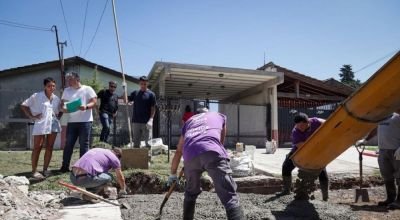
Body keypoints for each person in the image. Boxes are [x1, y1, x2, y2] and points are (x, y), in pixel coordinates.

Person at [168, 107, 244, 220]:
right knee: (229, 197)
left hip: (189, 155)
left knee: (190, 193)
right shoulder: (218, 116)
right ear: (207, 113)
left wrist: (173, 173)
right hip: (212, 151)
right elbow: (220, 141)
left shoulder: (189, 121)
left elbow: (179, 150)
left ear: (196, 114)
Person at [278, 112, 329, 201]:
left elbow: (328, 123)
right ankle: (286, 190)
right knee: (286, 166)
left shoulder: (315, 121)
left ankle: (325, 196)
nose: (300, 128)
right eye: (298, 126)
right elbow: (303, 148)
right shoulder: (295, 132)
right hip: (299, 151)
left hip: (317, 151)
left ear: (308, 122)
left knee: (322, 170)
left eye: (302, 126)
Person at [357, 110, 400, 209]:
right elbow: (375, 129)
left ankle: (399, 201)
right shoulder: (381, 117)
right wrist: (365, 140)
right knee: (387, 176)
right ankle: (390, 198)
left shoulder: (397, 116)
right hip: (383, 151)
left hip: (396, 151)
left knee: (399, 176)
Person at [21, 77, 62, 179]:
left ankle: (45, 170)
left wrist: (58, 117)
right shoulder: (37, 96)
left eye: (53, 85)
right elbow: (24, 105)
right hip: (40, 123)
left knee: (49, 147)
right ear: (45, 86)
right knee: (37, 147)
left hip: (53, 123)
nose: (51, 88)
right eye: (49, 86)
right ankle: (34, 171)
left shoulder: (56, 99)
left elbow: (60, 110)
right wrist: (32, 116)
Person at [59, 71, 97, 173]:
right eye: (68, 80)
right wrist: (64, 109)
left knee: (84, 144)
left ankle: (83, 168)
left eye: (70, 79)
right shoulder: (67, 90)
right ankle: (64, 166)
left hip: (85, 121)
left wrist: (86, 106)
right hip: (72, 121)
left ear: (77, 79)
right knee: (68, 144)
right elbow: (62, 105)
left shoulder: (87, 89)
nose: (69, 82)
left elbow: (94, 101)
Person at [128, 76, 156, 148]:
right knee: (136, 143)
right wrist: (124, 88)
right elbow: (126, 100)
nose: (143, 85)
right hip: (136, 121)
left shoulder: (151, 94)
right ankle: (137, 158)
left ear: (147, 83)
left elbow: (153, 108)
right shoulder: (135, 93)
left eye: (145, 84)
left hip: (147, 122)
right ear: (139, 83)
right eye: (141, 84)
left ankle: (148, 157)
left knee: (148, 143)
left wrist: (151, 119)